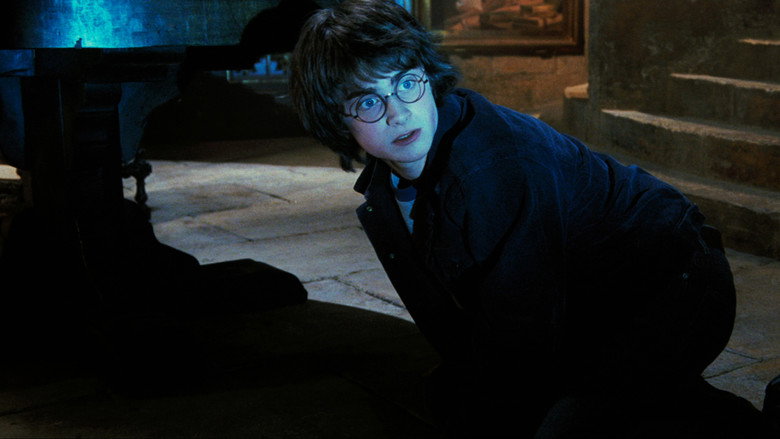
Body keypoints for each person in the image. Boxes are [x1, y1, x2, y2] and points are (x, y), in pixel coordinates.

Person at [288, 0, 780, 437]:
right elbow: (460, 315)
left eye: (406, 83)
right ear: (337, 119)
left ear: (427, 77)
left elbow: (523, 326)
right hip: (585, 298)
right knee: (463, 401)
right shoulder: (389, 180)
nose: (398, 113)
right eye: (368, 101)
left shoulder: (495, 166)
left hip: (673, 281)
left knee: (562, 423)